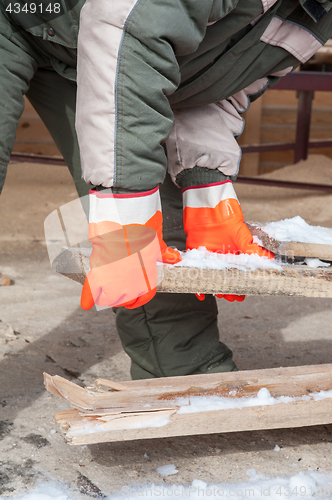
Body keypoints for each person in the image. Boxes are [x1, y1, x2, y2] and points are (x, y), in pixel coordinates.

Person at [1, 0, 331, 379]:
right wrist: (125, 209)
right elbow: (127, 23)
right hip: (47, 18)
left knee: (163, 227)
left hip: (106, 46)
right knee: (134, 211)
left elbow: (218, 78)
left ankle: (185, 380)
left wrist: (207, 186)